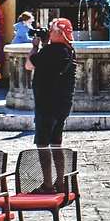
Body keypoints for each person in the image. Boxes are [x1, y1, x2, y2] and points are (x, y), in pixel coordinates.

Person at [28, 18, 77, 188]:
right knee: (56, 142)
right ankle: (61, 182)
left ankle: (47, 184)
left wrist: (35, 46)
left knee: (42, 144)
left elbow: (29, 65)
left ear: (57, 33)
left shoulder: (51, 51)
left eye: (51, 29)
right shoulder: (69, 50)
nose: (48, 32)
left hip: (46, 104)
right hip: (62, 104)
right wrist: (44, 44)